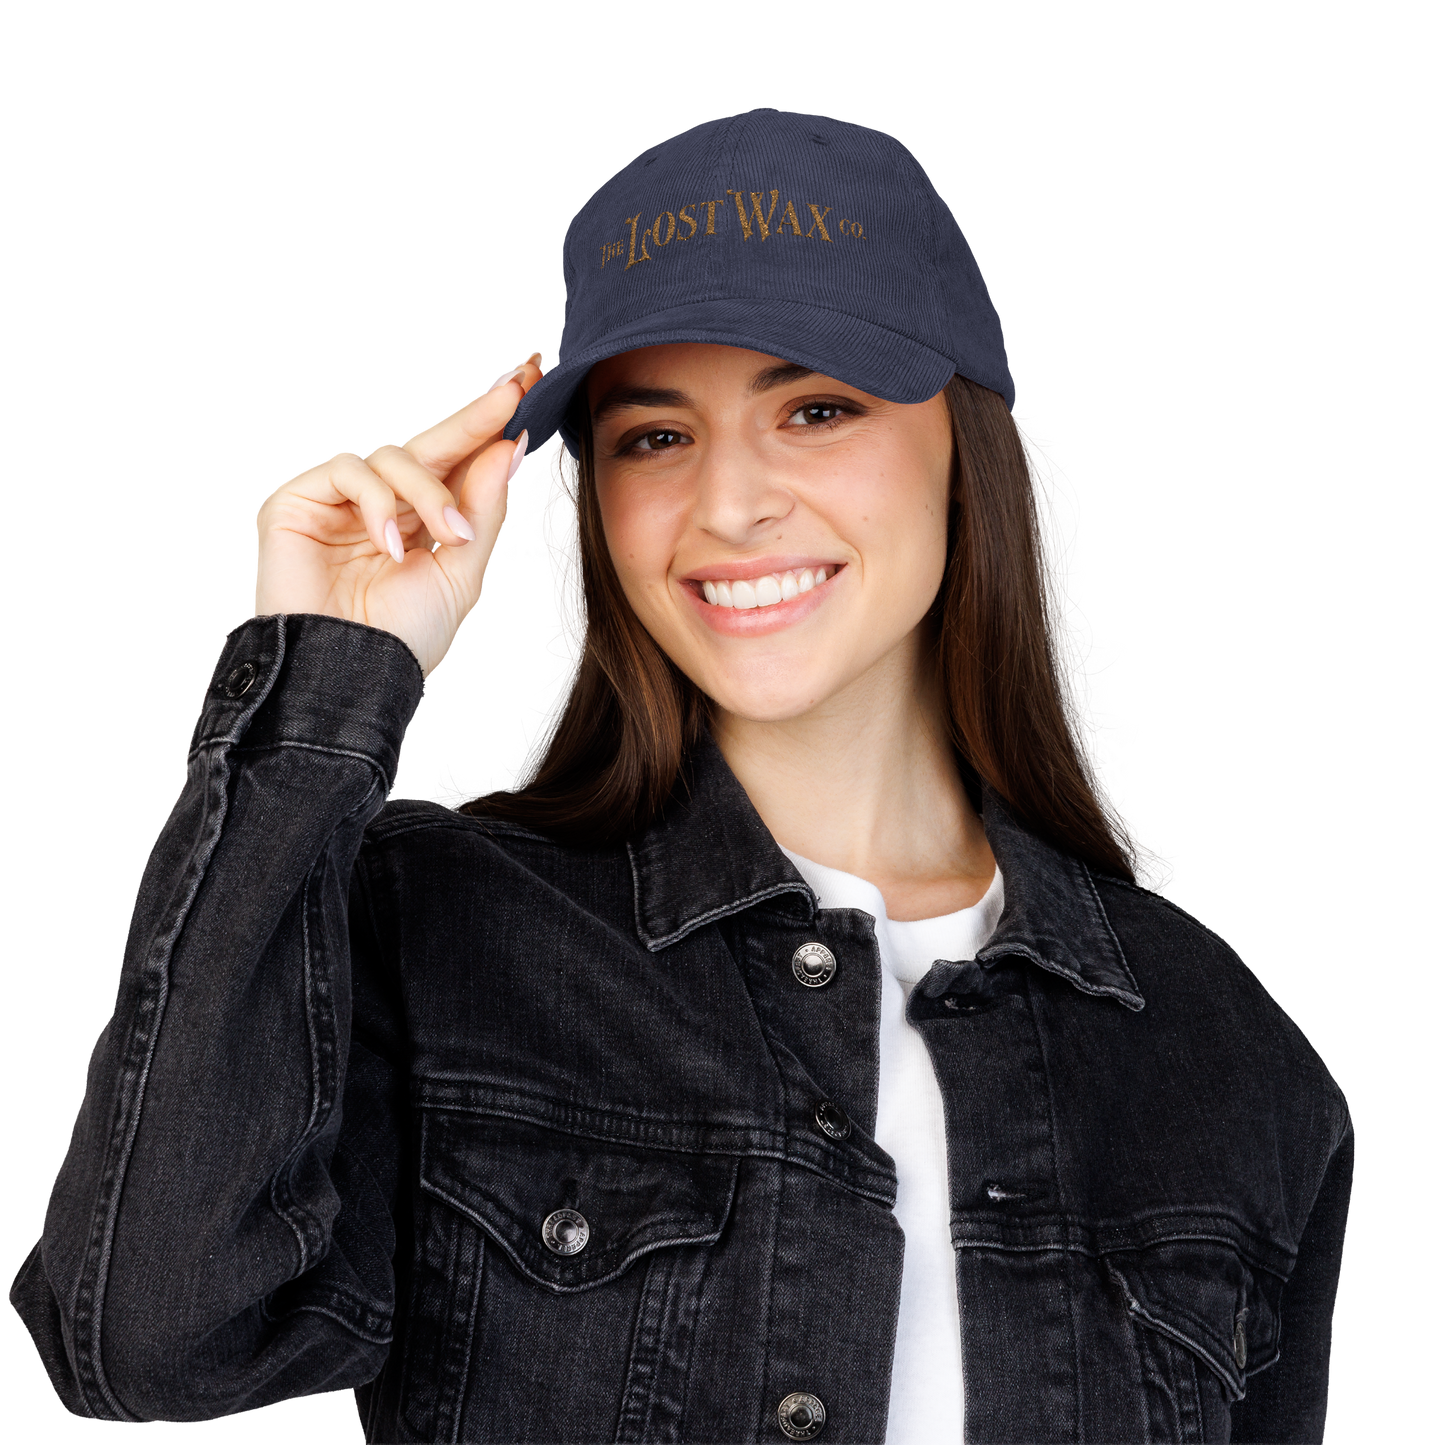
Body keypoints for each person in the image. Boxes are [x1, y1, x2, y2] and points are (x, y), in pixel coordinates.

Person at [8, 106, 1352, 1443]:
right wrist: (326, 675)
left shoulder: (1226, 1053)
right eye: (655, 435)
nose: (726, 506)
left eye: (815, 408)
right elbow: (152, 1346)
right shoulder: (431, 924)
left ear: (970, 447)